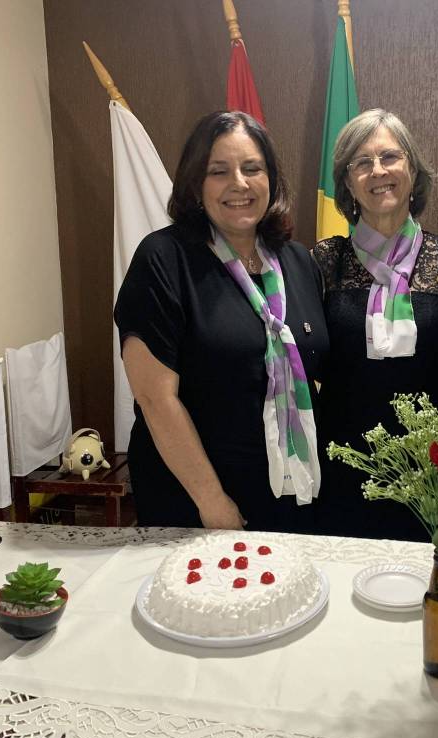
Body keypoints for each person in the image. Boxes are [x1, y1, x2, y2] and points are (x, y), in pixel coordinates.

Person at [114, 111, 328, 532]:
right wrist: (211, 501)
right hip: (196, 500)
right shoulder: (164, 259)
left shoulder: (298, 261)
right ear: (195, 183)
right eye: (219, 171)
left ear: (271, 179)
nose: (239, 183)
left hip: (290, 489)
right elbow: (156, 399)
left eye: (252, 168)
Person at [313, 109, 438, 541]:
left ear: (412, 170)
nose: (378, 171)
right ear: (348, 182)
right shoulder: (324, 261)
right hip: (339, 459)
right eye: (362, 162)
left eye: (390, 157)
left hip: (424, 463)